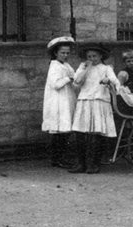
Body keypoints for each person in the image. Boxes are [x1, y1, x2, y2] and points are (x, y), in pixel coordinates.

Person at [70, 43, 120, 174]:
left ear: (101, 56)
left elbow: (116, 82)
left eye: (94, 56)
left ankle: (93, 164)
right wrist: (85, 69)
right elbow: (76, 82)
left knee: (95, 134)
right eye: (89, 56)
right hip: (85, 101)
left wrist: (108, 80)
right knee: (80, 132)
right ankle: (80, 164)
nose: (92, 58)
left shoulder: (106, 68)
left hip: (99, 101)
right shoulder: (83, 67)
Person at [42, 36, 77, 168]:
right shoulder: (54, 66)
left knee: (65, 132)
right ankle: (57, 158)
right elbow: (55, 84)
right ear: (56, 53)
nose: (65, 55)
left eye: (67, 53)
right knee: (59, 132)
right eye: (62, 53)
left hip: (66, 100)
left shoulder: (66, 65)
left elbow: (74, 77)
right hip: (58, 102)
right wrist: (69, 78)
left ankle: (61, 157)